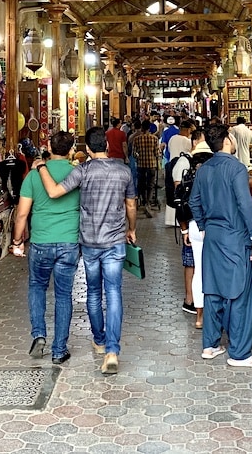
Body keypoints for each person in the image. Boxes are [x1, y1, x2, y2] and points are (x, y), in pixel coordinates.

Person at [36, 126, 137, 376]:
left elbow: (54, 191)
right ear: (106, 145)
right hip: (115, 242)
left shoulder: (83, 170)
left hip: (90, 243)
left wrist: (40, 167)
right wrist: (131, 228)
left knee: (94, 292)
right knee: (113, 292)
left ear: (88, 149)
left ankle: (100, 340)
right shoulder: (123, 171)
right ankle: (113, 350)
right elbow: (131, 204)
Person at [188, 123, 252, 368]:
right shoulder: (236, 168)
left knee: (213, 291)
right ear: (226, 140)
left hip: (213, 236)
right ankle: (240, 353)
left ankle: (210, 345)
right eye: (231, 137)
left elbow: (194, 201)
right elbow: (245, 205)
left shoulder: (203, 169)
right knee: (241, 293)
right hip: (236, 236)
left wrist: (202, 224)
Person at [10, 131, 79, 365]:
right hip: (69, 241)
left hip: (40, 242)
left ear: (49, 146)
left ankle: (39, 334)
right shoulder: (76, 173)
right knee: (63, 294)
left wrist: (17, 242)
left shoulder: (33, 176)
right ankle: (59, 349)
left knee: (37, 287)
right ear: (71, 149)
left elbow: (21, 214)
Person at [173, 127, 211, 325]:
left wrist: (185, 229)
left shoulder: (190, 176)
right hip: (212, 227)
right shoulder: (213, 176)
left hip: (194, 228)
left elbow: (182, 203)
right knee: (212, 270)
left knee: (198, 270)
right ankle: (213, 312)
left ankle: (199, 316)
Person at [130, 119, 162, 217]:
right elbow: (157, 153)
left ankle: (143, 201)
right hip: (152, 164)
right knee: (151, 184)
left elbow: (134, 154)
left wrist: (140, 156)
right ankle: (148, 202)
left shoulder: (136, 139)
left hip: (141, 165)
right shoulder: (154, 139)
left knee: (142, 183)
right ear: (149, 128)